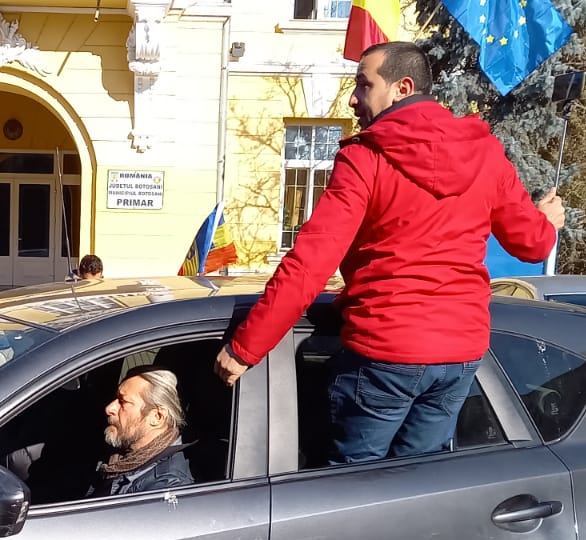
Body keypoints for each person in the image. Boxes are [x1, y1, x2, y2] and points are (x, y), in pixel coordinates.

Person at [212, 41, 566, 464]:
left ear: (402, 88)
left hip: (386, 349)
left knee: (355, 485)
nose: (353, 98)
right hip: (460, 353)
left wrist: (246, 348)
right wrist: (546, 220)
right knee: (415, 485)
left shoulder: (366, 157)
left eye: (364, 85)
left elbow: (310, 264)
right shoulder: (485, 153)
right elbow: (533, 243)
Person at [88, 367, 193, 497]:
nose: (109, 408)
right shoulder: (122, 455)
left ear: (157, 417)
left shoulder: (164, 490)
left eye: (123, 401)